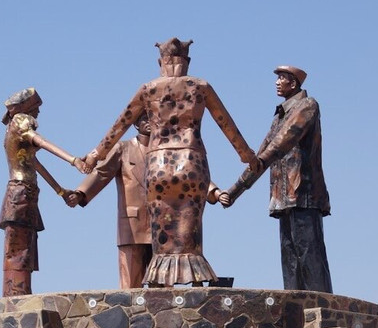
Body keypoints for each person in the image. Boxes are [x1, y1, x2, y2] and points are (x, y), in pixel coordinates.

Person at [83, 37, 256, 286]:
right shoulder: (200, 86)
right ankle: (196, 281)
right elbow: (226, 123)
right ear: (188, 61)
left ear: (160, 62)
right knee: (190, 229)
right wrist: (246, 155)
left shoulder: (148, 89)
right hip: (192, 162)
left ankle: (158, 279)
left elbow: (119, 125)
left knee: (161, 231)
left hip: (158, 165)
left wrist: (95, 155)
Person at [219, 66, 332, 293]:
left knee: (310, 254)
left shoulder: (307, 106)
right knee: (290, 258)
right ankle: (295, 307)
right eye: (278, 78)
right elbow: (260, 159)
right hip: (283, 198)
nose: (277, 82)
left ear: (295, 83)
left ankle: (322, 307)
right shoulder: (279, 115)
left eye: (282, 78)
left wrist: (258, 162)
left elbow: (281, 143)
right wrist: (234, 190)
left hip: (304, 193)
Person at [0, 87, 87, 297]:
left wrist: (60, 191)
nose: (38, 113)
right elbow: (42, 143)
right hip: (20, 193)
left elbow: (35, 163)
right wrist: (73, 160)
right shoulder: (20, 122)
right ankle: (15, 295)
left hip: (26, 193)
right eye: (36, 108)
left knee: (26, 247)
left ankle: (20, 292)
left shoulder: (18, 139)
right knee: (19, 248)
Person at [65, 113, 152, 289]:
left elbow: (187, 175)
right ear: (135, 123)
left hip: (162, 225)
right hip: (131, 224)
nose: (149, 122)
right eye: (144, 118)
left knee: (163, 287)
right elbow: (102, 172)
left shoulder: (166, 150)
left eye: (153, 117)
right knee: (130, 285)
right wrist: (81, 193)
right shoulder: (123, 148)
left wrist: (214, 192)